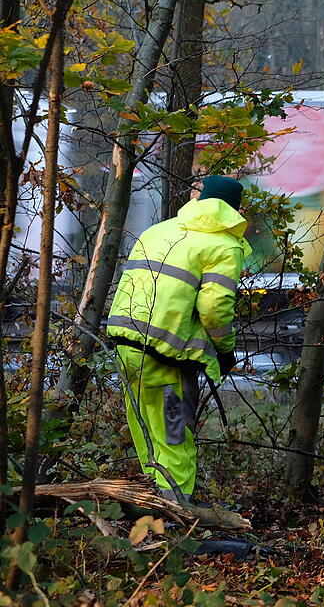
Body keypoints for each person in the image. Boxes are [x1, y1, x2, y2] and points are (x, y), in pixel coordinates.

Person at [106, 176, 251, 503]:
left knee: (146, 430)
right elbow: (214, 310)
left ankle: (147, 505)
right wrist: (225, 352)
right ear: (235, 210)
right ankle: (174, 513)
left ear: (199, 199)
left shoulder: (158, 230)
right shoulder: (224, 245)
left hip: (126, 347)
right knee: (174, 435)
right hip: (166, 358)